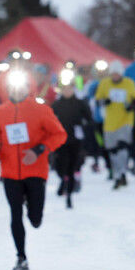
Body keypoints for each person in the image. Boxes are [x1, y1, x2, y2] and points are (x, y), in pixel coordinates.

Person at [0, 72, 67, 270]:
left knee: (35, 219)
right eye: (13, 87)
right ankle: (21, 257)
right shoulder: (1, 112)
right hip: (10, 172)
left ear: (27, 88)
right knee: (15, 214)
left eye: (21, 86)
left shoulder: (41, 110)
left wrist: (39, 149)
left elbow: (59, 134)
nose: (17, 90)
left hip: (35, 171)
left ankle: (33, 210)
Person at [94, 61, 135, 188]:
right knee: (113, 150)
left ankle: (122, 172)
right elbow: (97, 101)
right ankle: (118, 173)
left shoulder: (129, 83)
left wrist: (131, 106)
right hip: (110, 122)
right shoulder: (104, 83)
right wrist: (105, 101)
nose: (115, 76)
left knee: (122, 146)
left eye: (117, 74)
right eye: (113, 74)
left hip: (125, 120)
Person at [50, 80, 93, 209]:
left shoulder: (80, 103)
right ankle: (63, 180)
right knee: (59, 165)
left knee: (72, 166)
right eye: (64, 89)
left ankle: (69, 194)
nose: (67, 91)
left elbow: (89, 119)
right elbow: (50, 120)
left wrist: (82, 126)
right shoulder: (56, 105)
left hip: (75, 140)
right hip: (60, 139)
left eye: (69, 88)